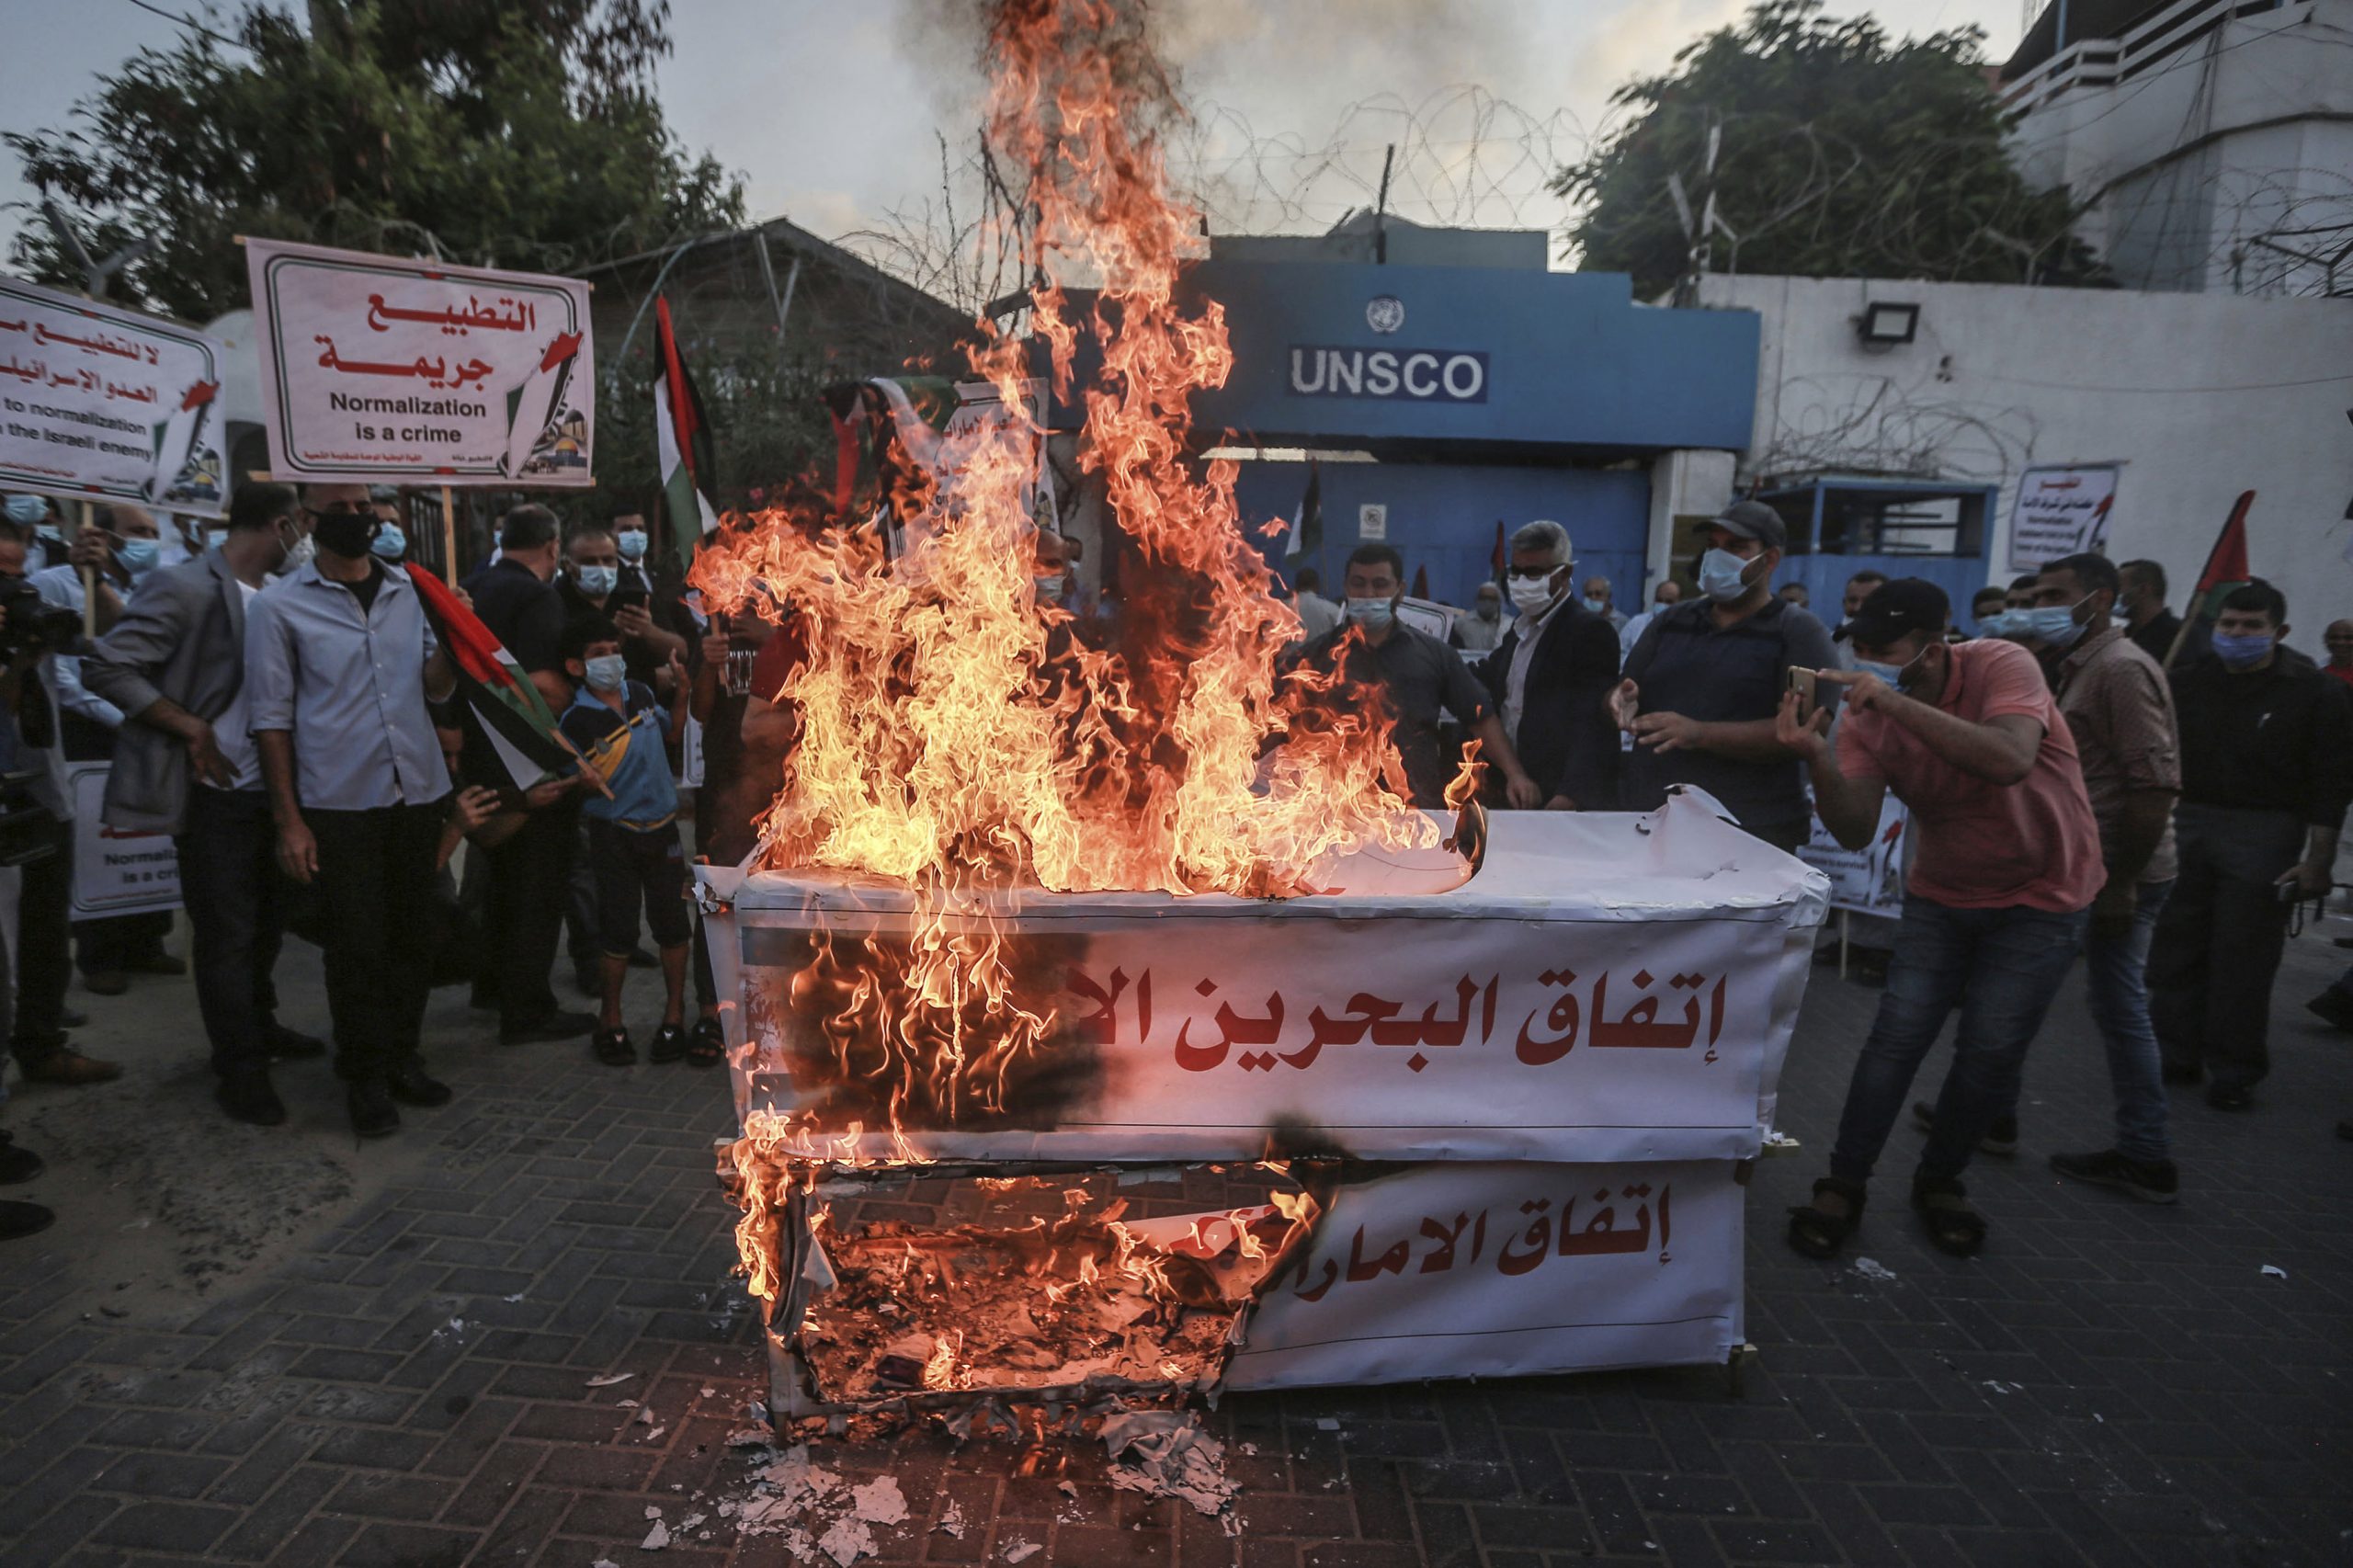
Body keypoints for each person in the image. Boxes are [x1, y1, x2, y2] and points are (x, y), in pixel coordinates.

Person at [1779, 578, 2101, 1257]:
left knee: (1989, 1050)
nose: (1864, 661)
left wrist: (1894, 704)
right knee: (1895, 1039)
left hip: (2043, 896)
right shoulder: (1866, 719)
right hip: (1943, 895)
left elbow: (2009, 759)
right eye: (1857, 647)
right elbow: (1857, 827)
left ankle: (1942, 1179)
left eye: (1881, 649)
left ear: (1932, 649)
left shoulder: (2003, 664)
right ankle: (1844, 1179)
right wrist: (1815, 757)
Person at [83, 482, 326, 1126]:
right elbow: (107, 666)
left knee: (269, 927)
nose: (305, 541)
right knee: (226, 938)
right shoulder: (185, 586)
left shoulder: (283, 595)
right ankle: (239, 1070)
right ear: (284, 524)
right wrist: (188, 726)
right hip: (215, 798)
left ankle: (262, 1025)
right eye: (302, 528)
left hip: (276, 795)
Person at [246, 484, 459, 1137]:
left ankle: (402, 1056)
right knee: (357, 947)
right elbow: (271, 720)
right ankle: (363, 1076)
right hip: (338, 803)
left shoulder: (410, 593)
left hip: (414, 793)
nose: (359, 519)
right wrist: (290, 821)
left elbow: (434, 686)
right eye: (342, 508)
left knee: (415, 937)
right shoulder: (279, 607)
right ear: (308, 520)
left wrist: (454, 643)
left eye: (366, 507)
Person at [1984, 553, 2183, 1201]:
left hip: (2113, 873)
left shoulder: (2121, 670)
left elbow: (2154, 786)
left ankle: (2145, 1152)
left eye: (2054, 594)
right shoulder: (2079, 665)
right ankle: (1991, 1112)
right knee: (2026, 990)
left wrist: (2121, 882)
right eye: (2035, 591)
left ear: (2098, 600)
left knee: (2116, 1007)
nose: (2039, 603)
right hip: (2081, 867)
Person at [2149, 580, 2353, 1110]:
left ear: (2278, 631)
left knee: (2243, 955)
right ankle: (2175, 1053)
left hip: (2265, 831)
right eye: (2228, 625)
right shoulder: (2185, 683)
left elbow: (2330, 785)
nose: (2238, 634)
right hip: (2187, 821)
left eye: (2251, 626)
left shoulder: (2316, 692)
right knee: (2176, 946)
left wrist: (2318, 860)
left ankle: (2235, 1069)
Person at [1613, 502, 1837, 851]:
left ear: (1770, 559)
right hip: (1654, 822)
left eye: (1735, 547)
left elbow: (1807, 731)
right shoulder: (1671, 622)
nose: (1718, 557)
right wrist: (1619, 700)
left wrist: (1699, 734)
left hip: (1751, 831)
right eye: (1713, 546)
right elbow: (1624, 688)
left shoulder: (1797, 632)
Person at [461, 505, 595, 1045]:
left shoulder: (471, 589)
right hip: (528, 768)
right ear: (553, 546)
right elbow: (545, 683)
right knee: (536, 890)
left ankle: (491, 985)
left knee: (497, 885)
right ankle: (528, 1009)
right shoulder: (539, 597)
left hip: (476, 763)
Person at [33, 506, 180, 994]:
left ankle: (147, 941)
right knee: (100, 841)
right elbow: (58, 673)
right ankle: (100, 954)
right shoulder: (55, 584)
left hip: (143, 722)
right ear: (106, 536)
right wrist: (118, 713)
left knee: (146, 832)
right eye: (138, 531)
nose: (148, 541)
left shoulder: (151, 589)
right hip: (87, 727)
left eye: (155, 533)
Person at [3, 520, 119, 1089]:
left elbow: (111, 638)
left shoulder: (34, 614)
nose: (14, 592)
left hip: (39, 787)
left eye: (18, 576)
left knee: (46, 929)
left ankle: (42, 1045)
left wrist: (90, 578)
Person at [1292, 544, 1540, 809]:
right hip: (1334, 813)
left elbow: (1479, 715)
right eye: (1358, 584)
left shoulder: (1433, 655)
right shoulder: (1312, 658)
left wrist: (1515, 774)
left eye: (1380, 584)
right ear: (1345, 588)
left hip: (1416, 812)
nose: (1368, 594)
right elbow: (1270, 721)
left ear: (1399, 591)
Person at [559, 618, 693, 1065]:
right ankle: (610, 1023)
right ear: (577, 667)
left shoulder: (640, 693)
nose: (608, 660)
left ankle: (674, 1018)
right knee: (617, 931)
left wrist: (685, 693)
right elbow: (570, 784)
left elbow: (671, 735)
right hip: (613, 836)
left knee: (673, 926)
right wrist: (579, 781)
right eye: (597, 654)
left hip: (664, 831)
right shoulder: (574, 722)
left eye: (612, 649)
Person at [1477, 520, 1622, 811]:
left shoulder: (1588, 632)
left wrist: (1569, 796)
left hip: (1554, 796)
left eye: (1534, 573)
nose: (1521, 582)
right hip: (1510, 788)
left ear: (1565, 572)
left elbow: (1595, 723)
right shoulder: (1519, 629)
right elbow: (1485, 679)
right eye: (1515, 572)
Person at [2118, 559, 2199, 666]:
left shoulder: (2180, 638)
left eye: (2118, 588)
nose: (2112, 595)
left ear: (2143, 590)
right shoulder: (2122, 636)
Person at [1616, 580, 1682, 663]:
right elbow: (1619, 649)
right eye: (1659, 600)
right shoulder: (1637, 622)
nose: (1663, 604)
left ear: (1678, 602)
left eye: (1669, 601)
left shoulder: (1683, 628)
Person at [1450, 582, 1509, 653]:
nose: (1487, 602)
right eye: (1483, 598)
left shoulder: (1507, 624)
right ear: (1477, 599)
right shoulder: (1461, 621)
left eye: (1492, 599)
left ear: (1499, 602)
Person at [1291, 566, 1342, 640]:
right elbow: (1345, 634)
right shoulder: (1331, 609)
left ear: (1296, 585)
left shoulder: (1281, 609)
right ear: (1317, 585)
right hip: (1325, 651)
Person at [2322, 619, 2353, 690]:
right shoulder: (2314, 670)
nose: (2340, 643)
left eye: (2349, 638)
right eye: (2334, 638)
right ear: (2325, 639)